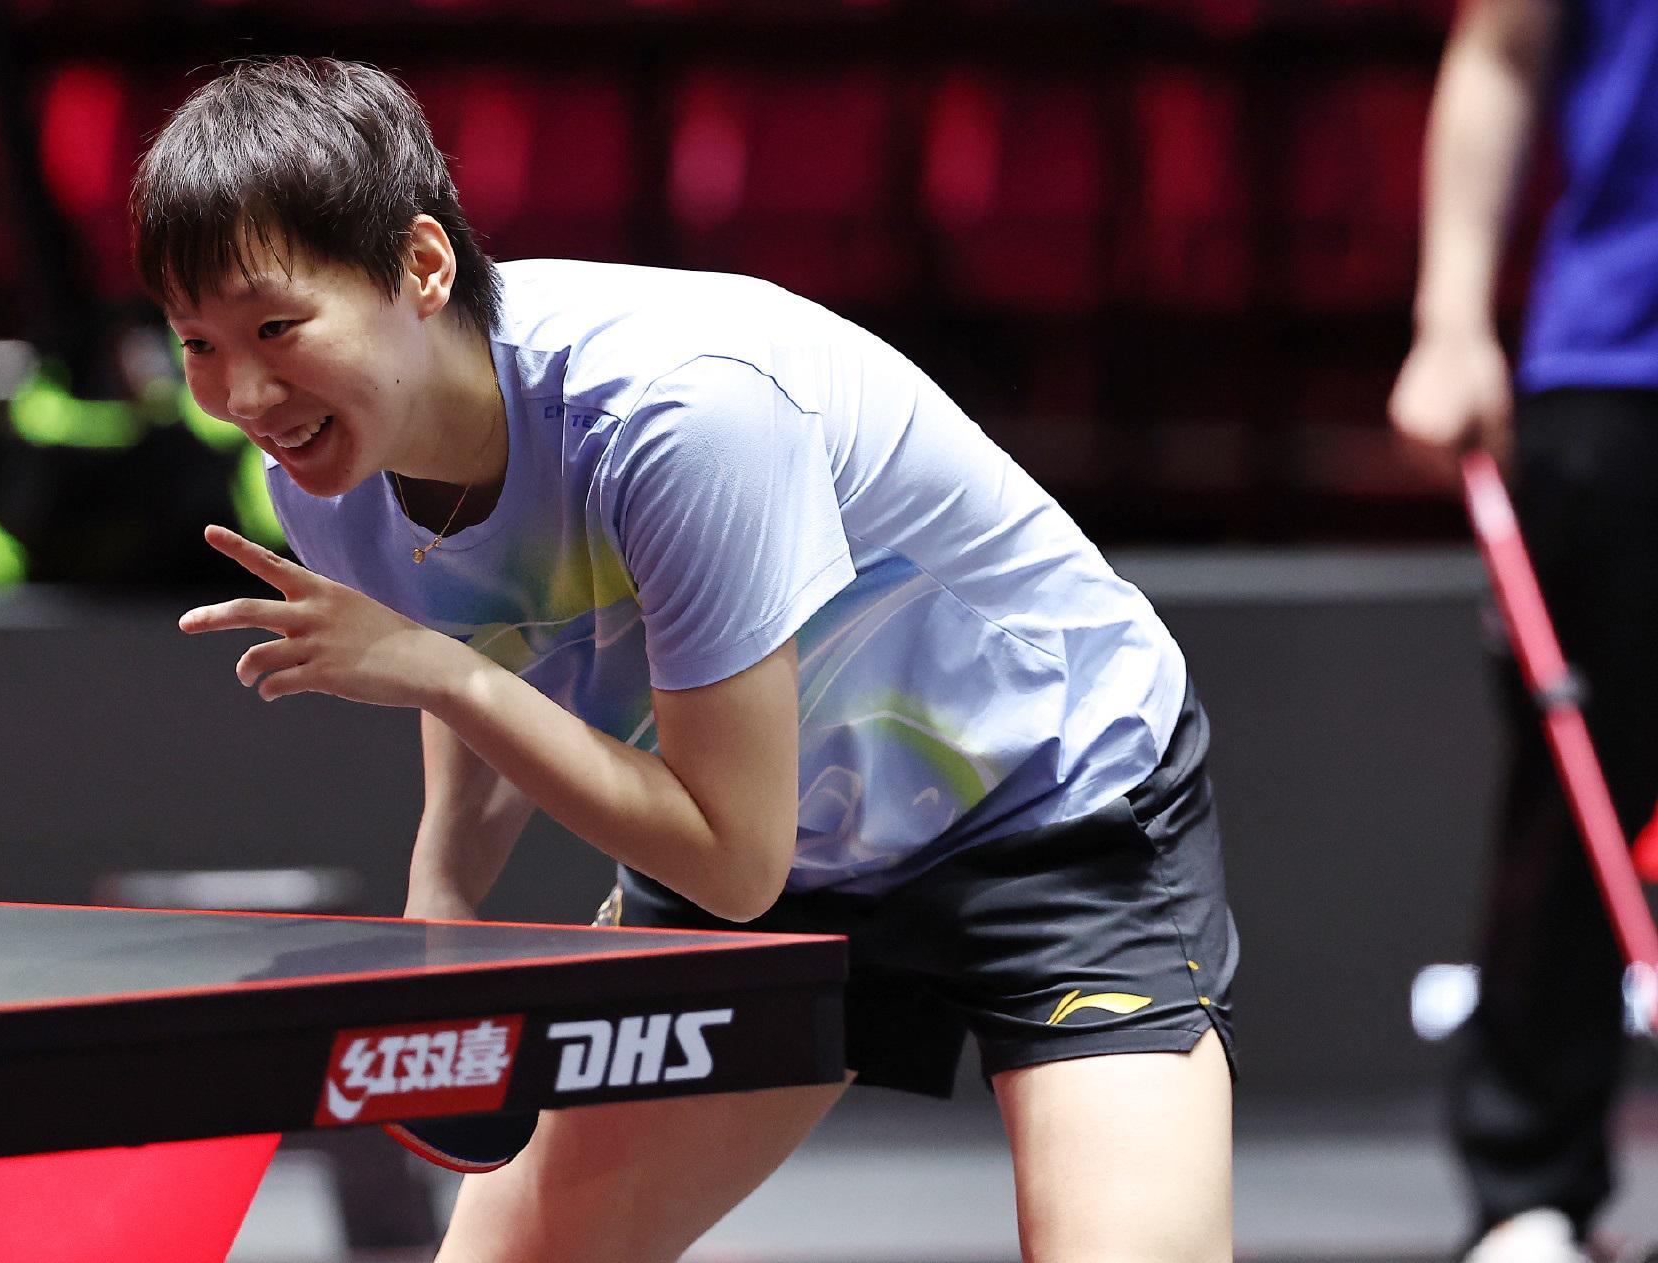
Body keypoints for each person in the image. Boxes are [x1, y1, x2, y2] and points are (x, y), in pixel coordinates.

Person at [135, 56, 1237, 1263]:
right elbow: (481, 633)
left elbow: (724, 857)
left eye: (276, 327)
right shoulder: (324, 464)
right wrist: (443, 894)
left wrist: (436, 672)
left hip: (1047, 806)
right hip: (765, 829)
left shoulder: (679, 418)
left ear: (422, 267)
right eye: (197, 343)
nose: (244, 392)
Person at [1388, 1, 1658, 1258]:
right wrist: (1448, 323)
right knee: (1573, 790)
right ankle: (1528, 1188)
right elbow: (1498, 48)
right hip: (1619, 362)